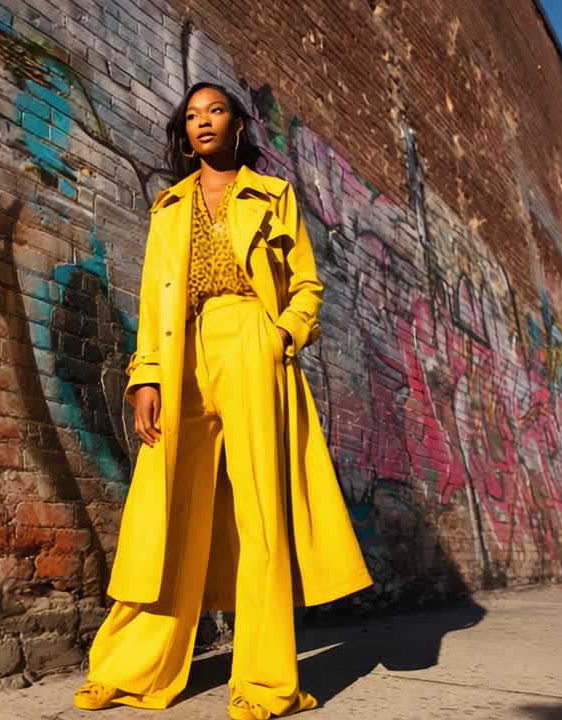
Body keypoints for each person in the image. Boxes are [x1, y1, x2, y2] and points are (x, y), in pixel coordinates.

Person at [72, 83, 373, 719]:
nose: (202, 122)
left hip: (252, 341)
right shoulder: (169, 207)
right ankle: (130, 670)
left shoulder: (273, 195)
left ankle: (265, 684)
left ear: (237, 125)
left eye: (215, 111)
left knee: (262, 512)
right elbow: (152, 300)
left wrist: (281, 336)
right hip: (183, 350)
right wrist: (147, 377)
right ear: (184, 134)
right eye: (192, 116)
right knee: (165, 511)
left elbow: (308, 285)